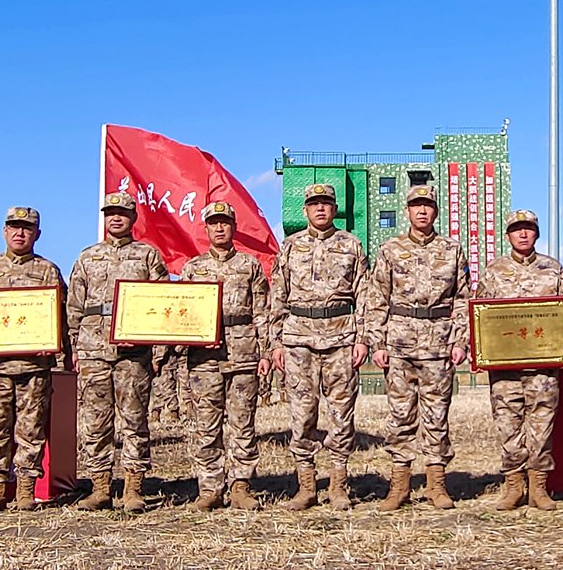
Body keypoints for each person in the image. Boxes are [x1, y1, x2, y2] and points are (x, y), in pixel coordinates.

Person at [363, 184, 470, 511]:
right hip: (399, 344)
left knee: (437, 416)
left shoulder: (452, 250)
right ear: (407, 211)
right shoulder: (390, 250)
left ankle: (436, 485)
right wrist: (376, 342)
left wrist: (460, 338)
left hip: (438, 344)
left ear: (436, 211)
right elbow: (376, 299)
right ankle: (399, 486)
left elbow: (462, 300)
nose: (422, 211)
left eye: (428, 206)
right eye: (415, 206)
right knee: (400, 417)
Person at [65, 192, 170, 513]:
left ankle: (133, 488)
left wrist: (159, 349)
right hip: (93, 348)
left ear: (133, 218)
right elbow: (74, 307)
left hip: (134, 352)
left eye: (122, 213)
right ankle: (100, 487)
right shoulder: (87, 257)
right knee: (96, 422)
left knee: (134, 420)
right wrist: (74, 347)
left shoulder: (148, 256)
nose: (116, 218)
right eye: (110, 213)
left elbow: (165, 304)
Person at [267, 183, 368, 511]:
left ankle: (339, 485)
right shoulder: (290, 247)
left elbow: (365, 296)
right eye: (314, 204)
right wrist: (276, 343)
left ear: (335, 208)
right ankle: (306, 486)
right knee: (302, 415)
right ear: (305, 210)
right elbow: (277, 296)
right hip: (298, 340)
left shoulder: (351, 245)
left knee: (341, 415)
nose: (320, 209)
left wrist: (363, 339)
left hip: (341, 338)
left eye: (326, 203)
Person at [0, 207, 66, 513]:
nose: (19, 233)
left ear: (37, 234)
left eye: (27, 228)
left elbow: (61, 316)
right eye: (14, 227)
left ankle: (25, 489)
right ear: (4, 231)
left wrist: (56, 345)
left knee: (30, 430)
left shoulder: (48, 271)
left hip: (33, 366)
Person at [475, 209, 563, 511]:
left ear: (536, 233)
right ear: (508, 235)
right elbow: (480, 316)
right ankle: (514, 485)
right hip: (505, 367)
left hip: (544, 366)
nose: (523, 234)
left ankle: (539, 487)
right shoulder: (493, 271)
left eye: (529, 228)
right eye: (517, 229)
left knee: (542, 424)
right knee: (508, 424)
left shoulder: (553, 269)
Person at [180, 201, 271, 512]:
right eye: (214, 223)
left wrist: (266, 352)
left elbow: (262, 313)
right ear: (206, 229)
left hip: (243, 354)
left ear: (233, 227)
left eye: (225, 223)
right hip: (204, 358)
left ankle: (240, 486)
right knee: (205, 426)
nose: (220, 228)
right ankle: (209, 489)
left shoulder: (249, 266)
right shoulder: (192, 269)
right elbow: (182, 315)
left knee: (242, 424)